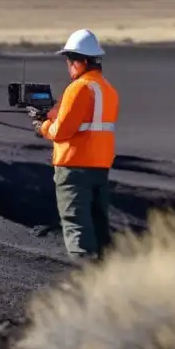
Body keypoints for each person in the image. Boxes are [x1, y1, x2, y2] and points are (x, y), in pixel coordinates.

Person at [30, 29, 119, 261]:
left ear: (81, 62)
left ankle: (83, 276)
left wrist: (43, 127)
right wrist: (51, 116)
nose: (68, 66)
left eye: (70, 61)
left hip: (74, 166)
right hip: (99, 166)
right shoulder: (107, 90)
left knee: (76, 224)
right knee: (99, 224)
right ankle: (107, 274)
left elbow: (62, 131)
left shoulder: (78, 88)